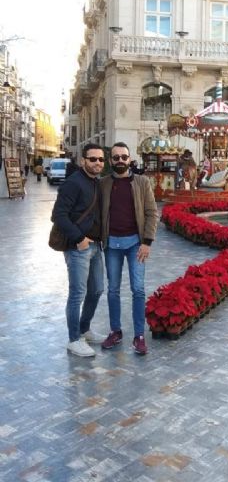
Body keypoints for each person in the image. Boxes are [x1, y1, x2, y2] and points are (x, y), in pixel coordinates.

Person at [100, 142, 158, 355]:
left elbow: (152, 213)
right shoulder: (103, 184)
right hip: (111, 245)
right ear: (110, 161)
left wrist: (147, 242)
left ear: (129, 158)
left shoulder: (142, 182)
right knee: (113, 290)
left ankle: (139, 335)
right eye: (116, 158)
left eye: (124, 157)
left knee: (138, 289)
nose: (120, 161)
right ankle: (116, 331)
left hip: (136, 244)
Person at [51, 143, 105, 357]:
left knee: (97, 290)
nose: (97, 163)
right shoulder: (73, 183)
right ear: (83, 161)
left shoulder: (96, 183)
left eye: (101, 159)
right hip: (78, 247)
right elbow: (58, 215)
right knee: (77, 294)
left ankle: (85, 329)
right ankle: (74, 339)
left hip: (95, 246)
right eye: (93, 159)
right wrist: (79, 238)